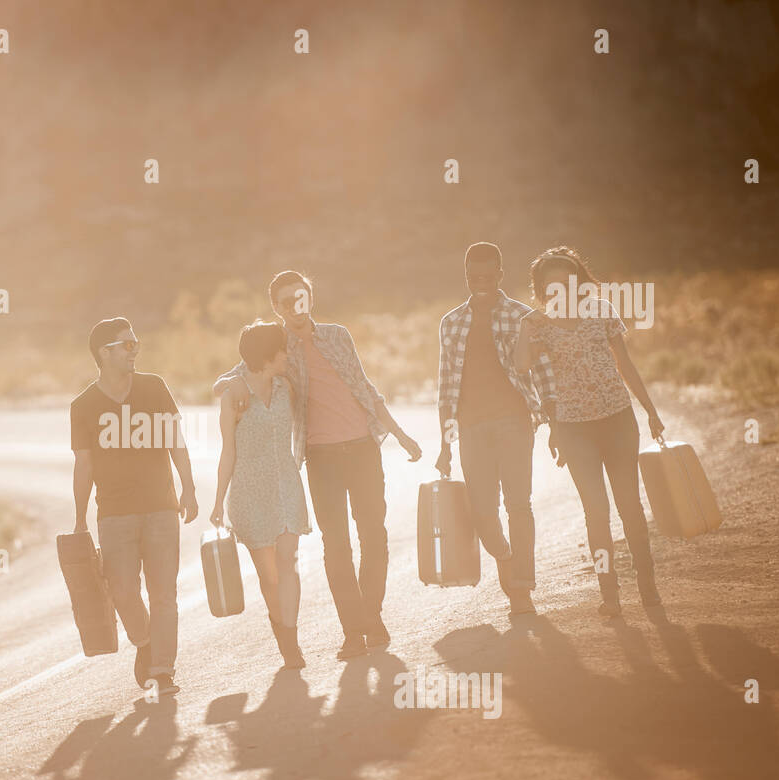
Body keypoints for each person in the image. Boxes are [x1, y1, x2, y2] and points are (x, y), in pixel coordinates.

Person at [214, 271, 422, 659]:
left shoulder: (338, 335)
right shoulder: (279, 347)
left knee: (374, 536)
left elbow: (365, 388)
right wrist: (230, 384)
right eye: (286, 301)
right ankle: (353, 632)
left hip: (363, 448)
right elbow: (241, 370)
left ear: (311, 297)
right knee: (336, 545)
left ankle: (370, 615)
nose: (296, 305)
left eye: (301, 296)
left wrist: (399, 432)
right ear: (276, 308)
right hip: (322, 458)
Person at [514, 246, 664, 616]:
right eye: (551, 284)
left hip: (617, 419)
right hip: (573, 428)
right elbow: (521, 366)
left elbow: (624, 364)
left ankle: (649, 590)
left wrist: (650, 410)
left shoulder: (601, 310)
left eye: (567, 280)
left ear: (578, 282)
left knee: (630, 506)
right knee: (596, 511)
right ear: (542, 288)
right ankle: (610, 596)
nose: (560, 288)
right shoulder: (540, 324)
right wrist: (525, 327)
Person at [71, 317, 198, 695]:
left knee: (164, 594)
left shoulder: (153, 388)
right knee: (123, 591)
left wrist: (188, 488)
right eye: (127, 345)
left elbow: (175, 441)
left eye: (135, 343)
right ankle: (144, 643)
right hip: (114, 514)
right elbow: (84, 465)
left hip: (161, 507)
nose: (134, 351)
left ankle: (163, 670)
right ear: (103, 353)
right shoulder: (83, 406)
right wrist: (80, 520)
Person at [435, 242, 557, 618]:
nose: (481, 283)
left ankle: (521, 590)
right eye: (474, 277)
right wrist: (445, 442)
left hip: (514, 423)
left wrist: (556, 424)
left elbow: (544, 373)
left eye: (488, 276)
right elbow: (446, 384)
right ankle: (506, 558)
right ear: (466, 276)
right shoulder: (452, 322)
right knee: (483, 512)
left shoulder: (523, 317)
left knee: (519, 505)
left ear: (501, 274)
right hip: (471, 429)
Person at [210, 321, 311, 669]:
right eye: (282, 349)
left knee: (288, 563)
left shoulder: (286, 388)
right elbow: (228, 452)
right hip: (249, 491)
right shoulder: (235, 396)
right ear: (268, 355)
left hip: (286, 486)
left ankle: (292, 641)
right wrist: (218, 501)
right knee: (269, 576)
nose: (288, 354)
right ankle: (282, 632)